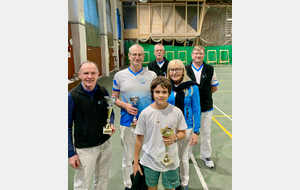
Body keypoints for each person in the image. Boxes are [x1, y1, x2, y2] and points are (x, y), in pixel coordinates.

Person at [112, 44, 157, 190]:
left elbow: (156, 98)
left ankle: (145, 184)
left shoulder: (152, 76)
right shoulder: (119, 76)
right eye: (134, 54)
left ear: (144, 57)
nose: (137, 57)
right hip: (127, 123)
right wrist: (125, 106)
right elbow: (114, 98)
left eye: (140, 55)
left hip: (148, 124)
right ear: (129, 56)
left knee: (148, 155)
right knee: (128, 158)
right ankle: (128, 185)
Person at [68, 61, 117, 190]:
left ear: (98, 74)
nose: (89, 76)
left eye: (92, 73)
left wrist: (111, 123)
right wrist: (71, 153)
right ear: (79, 75)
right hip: (85, 149)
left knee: (102, 179)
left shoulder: (102, 90)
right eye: (85, 73)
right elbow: (66, 127)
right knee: (82, 184)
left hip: (105, 144)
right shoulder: (72, 96)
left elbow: (110, 111)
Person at [133, 76, 187, 190]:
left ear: (169, 93)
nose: (161, 95)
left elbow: (183, 132)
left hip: (171, 160)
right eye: (157, 92)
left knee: (170, 188)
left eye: (164, 92)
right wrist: (136, 162)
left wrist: (175, 137)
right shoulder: (145, 113)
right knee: (151, 187)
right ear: (152, 93)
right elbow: (139, 139)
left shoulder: (176, 112)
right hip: (150, 160)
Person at [166, 59, 201, 190]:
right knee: (169, 156)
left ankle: (184, 183)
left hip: (186, 127)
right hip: (168, 128)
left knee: (183, 157)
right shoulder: (165, 85)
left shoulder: (192, 87)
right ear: (168, 72)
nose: (174, 72)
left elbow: (197, 109)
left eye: (178, 69)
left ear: (183, 71)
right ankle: (173, 181)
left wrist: (196, 132)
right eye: (172, 69)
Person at [185, 45, 219, 168]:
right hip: (189, 108)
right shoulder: (185, 69)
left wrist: (202, 97)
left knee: (206, 132)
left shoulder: (210, 69)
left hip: (206, 107)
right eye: (196, 53)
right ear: (192, 55)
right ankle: (186, 154)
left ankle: (206, 155)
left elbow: (214, 87)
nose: (198, 55)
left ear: (204, 55)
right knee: (189, 132)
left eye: (200, 53)